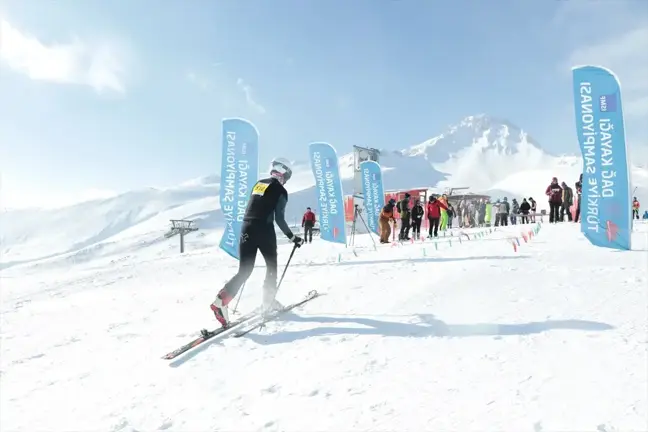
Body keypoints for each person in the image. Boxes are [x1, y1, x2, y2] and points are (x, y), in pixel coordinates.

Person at [210, 157, 304, 327]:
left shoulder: (259, 184)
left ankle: (220, 302)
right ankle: (268, 304)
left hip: (246, 228)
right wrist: (293, 237)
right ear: (285, 173)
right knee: (271, 267)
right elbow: (279, 219)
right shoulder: (281, 191)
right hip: (264, 230)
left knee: (245, 270)